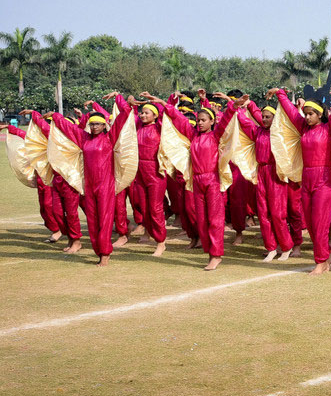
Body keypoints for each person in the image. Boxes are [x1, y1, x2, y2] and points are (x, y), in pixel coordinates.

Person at [37, 92, 134, 266]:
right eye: (92, 124)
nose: (95, 127)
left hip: (105, 185)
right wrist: (56, 116)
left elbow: (125, 114)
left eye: (98, 124)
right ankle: (98, 250)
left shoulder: (110, 138)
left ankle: (105, 253)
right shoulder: (84, 138)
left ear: (104, 126)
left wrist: (118, 97)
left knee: (104, 220)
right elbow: (69, 128)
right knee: (92, 221)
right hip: (89, 186)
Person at [272, 87, 331, 275]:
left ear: (320, 115)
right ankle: (326, 255)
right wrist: (281, 94)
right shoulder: (303, 128)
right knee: (311, 224)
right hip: (307, 178)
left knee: (320, 222)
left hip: (324, 179)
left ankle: (321, 261)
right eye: (305, 114)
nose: (307, 117)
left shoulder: (328, 128)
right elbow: (289, 111)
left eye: (311, 114)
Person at [155, 91, 232, 270]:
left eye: (203, 120)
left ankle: (216, 254)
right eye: (198, 120)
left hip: (212, 179)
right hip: (197, 181)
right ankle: (209, 250)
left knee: (214, 219)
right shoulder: (193, 135)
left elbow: (227, 120)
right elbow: (179, 119)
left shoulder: (215, 136)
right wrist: (163, 103)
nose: (199, 123)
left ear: (212, 122)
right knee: (202, 219)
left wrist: (232, 105)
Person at [234, 97, 296, 261]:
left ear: (275, 118)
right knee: (263, 213)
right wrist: (236, 107)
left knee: (277, 213)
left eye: (268, 117)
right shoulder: (257, 131)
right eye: (263, 117)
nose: (264, 119)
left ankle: (286, 247)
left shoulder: (280, 133)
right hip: (261, 172)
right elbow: (246, 122)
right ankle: (271, 247)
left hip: (276, 174)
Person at [127, 95, 168, 257]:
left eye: (146, 113)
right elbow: (129, 112)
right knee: (143, 207)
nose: (143, 115)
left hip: (155, 171)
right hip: (140, 171)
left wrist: (162, 103)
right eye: (141, 113)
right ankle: (149, 232)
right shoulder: (138, 127)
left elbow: (170, 117)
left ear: (155, 115)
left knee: (155, 208)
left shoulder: (159, 127)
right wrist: (128, 101)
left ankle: (161, 242)